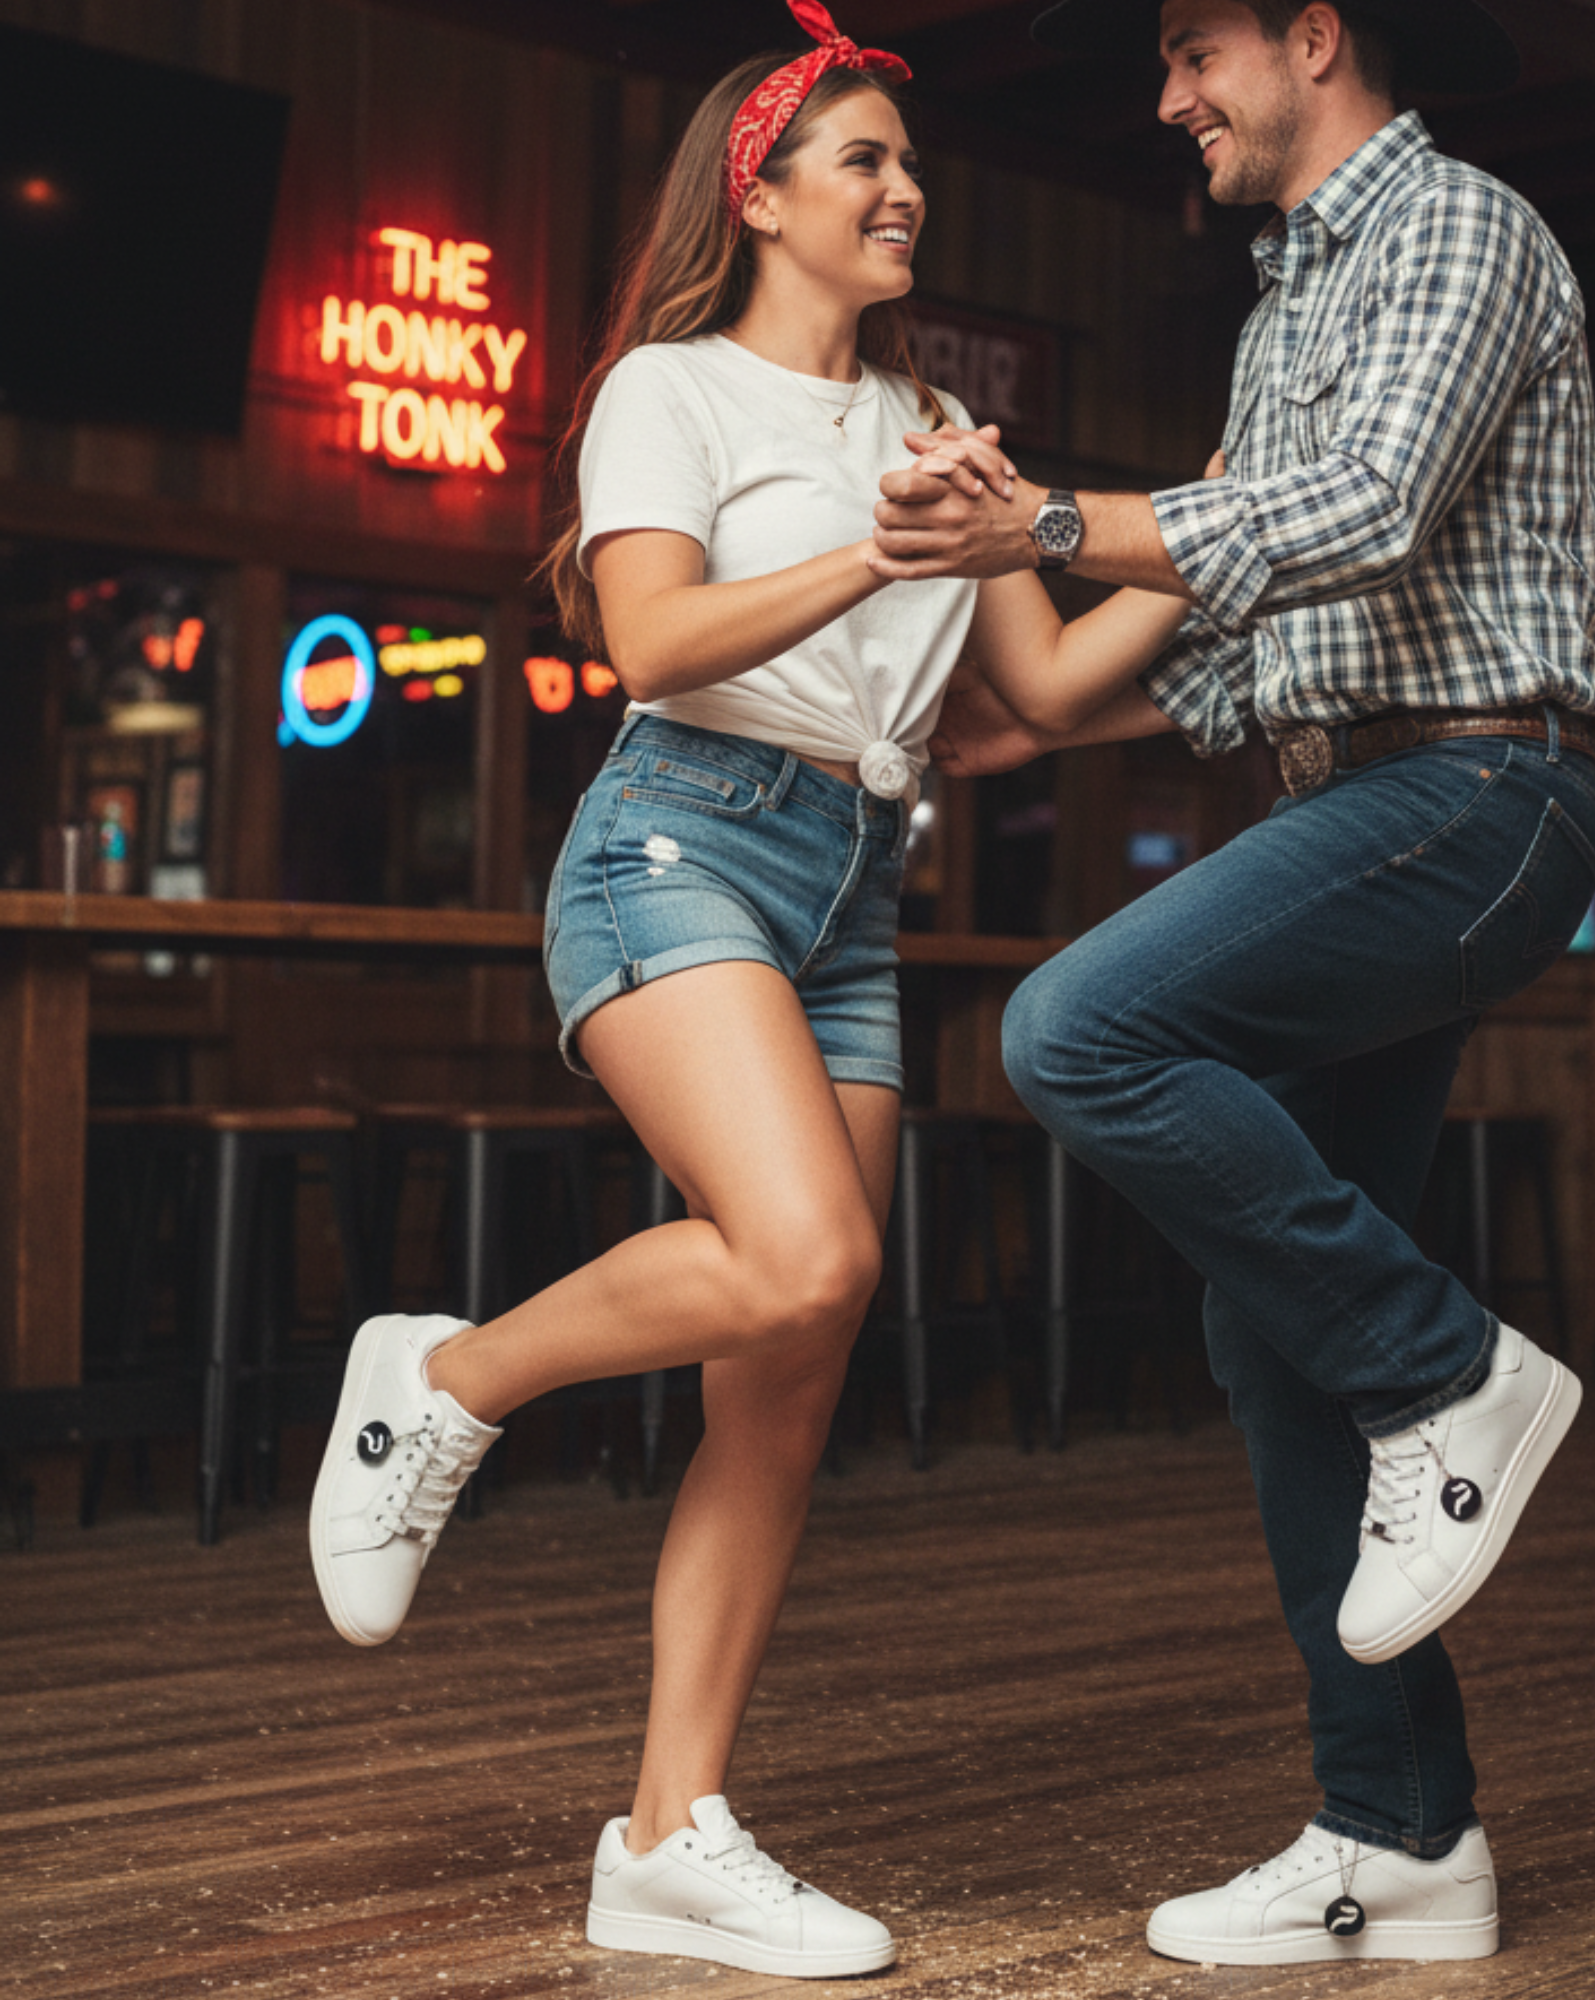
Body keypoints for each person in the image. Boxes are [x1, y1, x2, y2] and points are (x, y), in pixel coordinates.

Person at [307, 2, 1192, 1979]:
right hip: (679, 841)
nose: (907, 188)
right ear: (763, 191)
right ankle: (443, 1380)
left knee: (785, 1389)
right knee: (802, 1256)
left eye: (907, 160)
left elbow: (1040, 697)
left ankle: (667, 1832)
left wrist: (1207, 535)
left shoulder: (932, 439)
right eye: (863, 158)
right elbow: (649, 635)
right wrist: (882, 557)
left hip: (855, 886)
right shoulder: (667, 389)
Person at [869, 0, 1595, 1967]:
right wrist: (998, 712)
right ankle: (1403, 1833)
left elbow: (1360, 513)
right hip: (1364, 789)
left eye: (1193, 49)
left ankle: (1454, 1369)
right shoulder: (1284, 309)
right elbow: (1225, 645)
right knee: (1263, 1328)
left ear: (1314, 33)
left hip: (1481, 788)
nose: (1167, 100)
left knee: (1077, 1026)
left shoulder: (1453, 225)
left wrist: (1043, 518)